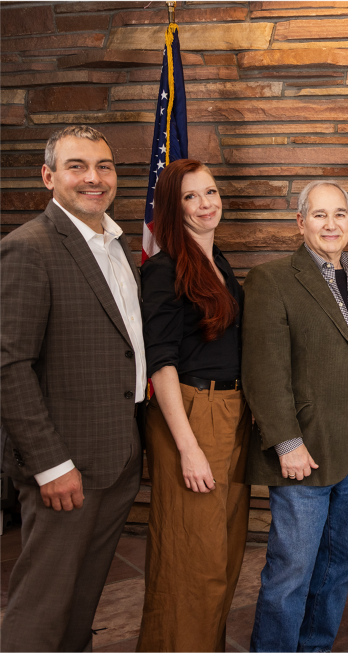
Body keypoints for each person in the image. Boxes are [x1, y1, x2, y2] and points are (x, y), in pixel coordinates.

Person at [0, 126, 145, 653]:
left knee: (82, 601)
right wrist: (50, 464)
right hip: (66, 465)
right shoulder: (29, 248)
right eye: (77, 166)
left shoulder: (116, 245)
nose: (93, 177)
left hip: (117, 453)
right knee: (41, 609)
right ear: (49, 176)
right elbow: (8, 366)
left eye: (104, 166)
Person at [243, 181, 348, 653]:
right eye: (319, 215)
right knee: (292, 567)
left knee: (343, 560)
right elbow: (263, 370)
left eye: (340, 214)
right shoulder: (273, 279)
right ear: (300, 222)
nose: (331, 224)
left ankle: (313, 647)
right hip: (305, 448)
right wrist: (286, 442)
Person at [136, 159, 250, 652]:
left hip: (229, 412)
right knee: (192, 563)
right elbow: (161, 365)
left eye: (211, 192)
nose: (207, 204)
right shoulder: (163, 270)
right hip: (190, 413)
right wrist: (188, 447)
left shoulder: (217, 261)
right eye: (191, 196)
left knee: (223, 559)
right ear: (172, 206)